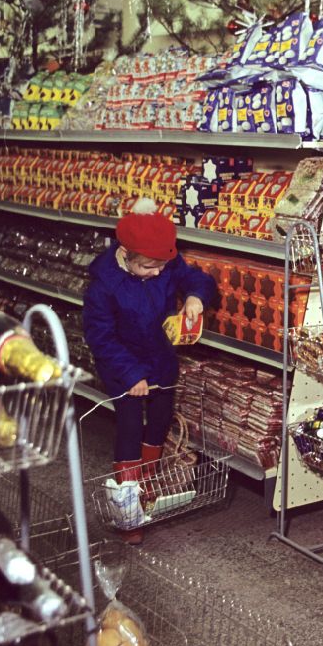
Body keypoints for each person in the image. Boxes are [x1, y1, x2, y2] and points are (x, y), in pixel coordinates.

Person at [83, 198, 216, 544]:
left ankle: (147, 491)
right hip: (121, 364)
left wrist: (195, 297)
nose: (157, 272)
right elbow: (101, 337)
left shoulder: (166, 263)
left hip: (159, 356)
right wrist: (130, 375)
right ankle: (128, 512)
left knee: (159, 422)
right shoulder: (103, 284)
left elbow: (195, 278)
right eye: (148, 267)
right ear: (126, 255)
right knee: (129, 427)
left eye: (161, 266)